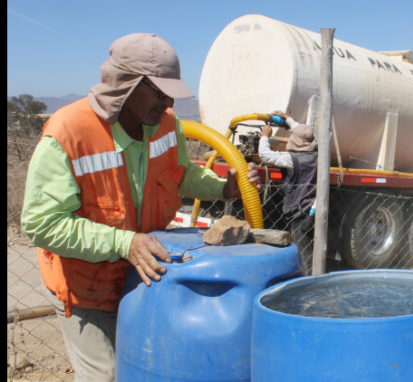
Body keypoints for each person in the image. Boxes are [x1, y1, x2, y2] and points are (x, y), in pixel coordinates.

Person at [20, 32, 259, 381]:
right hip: (88, 288)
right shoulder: (69, 133)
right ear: (126, 84)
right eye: (159, 92)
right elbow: (42, 224)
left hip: (143, 281)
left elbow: (181, 175)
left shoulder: (164, 124)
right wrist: (124, 243)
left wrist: (225, 188)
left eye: (170, 93)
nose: (166, 102)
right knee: (110, 375)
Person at [259, 111, 317, 273]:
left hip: (298, 210)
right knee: (307, 244)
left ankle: (307, 278)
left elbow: (265, 155)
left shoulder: (293, 159)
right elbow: (304, 132)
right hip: (310, 208)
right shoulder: (315, 156)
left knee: (301, 248)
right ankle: (307, 272)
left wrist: (265, 136)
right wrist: (288, 119)